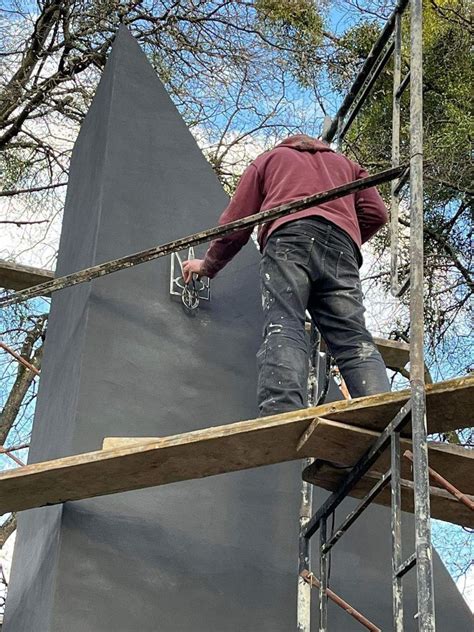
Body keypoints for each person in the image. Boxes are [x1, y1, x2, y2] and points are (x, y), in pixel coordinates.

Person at [183, 134, 391, 416]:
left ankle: (282, 410)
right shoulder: (346, 166)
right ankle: (383, 415)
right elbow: (377, 213)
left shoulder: (271, 160)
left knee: (285, 321)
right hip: (341, 251)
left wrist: (208, 266)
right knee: (353, 338)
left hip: (290, 238)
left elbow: (235, 225)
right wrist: (346, 235)